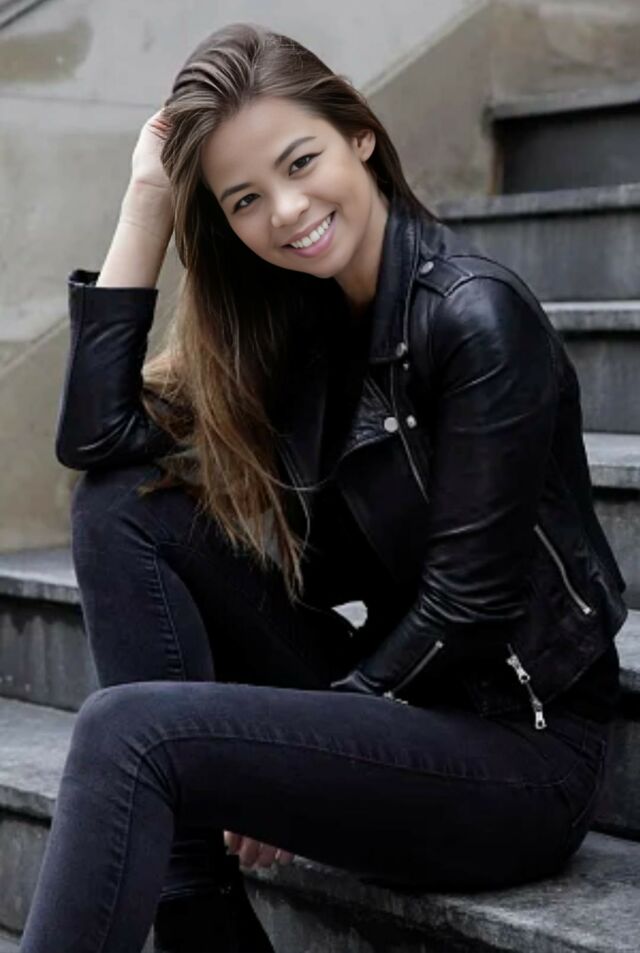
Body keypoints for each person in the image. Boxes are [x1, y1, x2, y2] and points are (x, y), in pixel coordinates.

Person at [20, 21, 628, 953]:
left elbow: (469, 604)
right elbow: (100, 440)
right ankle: (204, 911)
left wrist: (298, 749)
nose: (288, 210)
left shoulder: (475, 316)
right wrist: (147, 197)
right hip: (389, 703)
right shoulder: (297, 321)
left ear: (360, 133)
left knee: (126, 731)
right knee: (120, 502)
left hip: (520, 755)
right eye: (246, 199)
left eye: (301, 162)